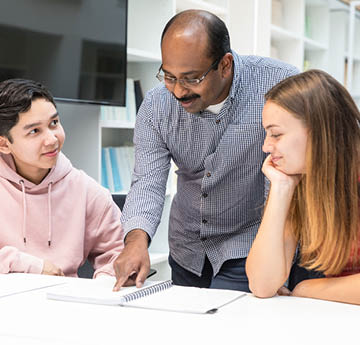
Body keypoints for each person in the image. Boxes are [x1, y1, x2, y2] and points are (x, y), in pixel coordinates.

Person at [113, 9, 298, 291]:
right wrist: (136, 242)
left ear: (225, 65)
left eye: (191, 78)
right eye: (169, 76)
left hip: (249, 246)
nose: (178, 91)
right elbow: (147, 182)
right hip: (188, 251)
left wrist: (278, 266)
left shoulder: (279, 85)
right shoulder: (155, 106)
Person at [246, 69, 360, 305]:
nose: (266, 147)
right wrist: (280, 189)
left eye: (276, 134)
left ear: (319, 132)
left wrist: (305, 289)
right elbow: (262, 284)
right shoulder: (299, 179)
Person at [0, 78, 124, 277]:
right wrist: (28, 264)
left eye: (54, 123)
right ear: (4, 144)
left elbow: (119, 254)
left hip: (65, 303)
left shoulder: (87, 191)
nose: (52, 139)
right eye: (34, 131)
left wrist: (102, 285)